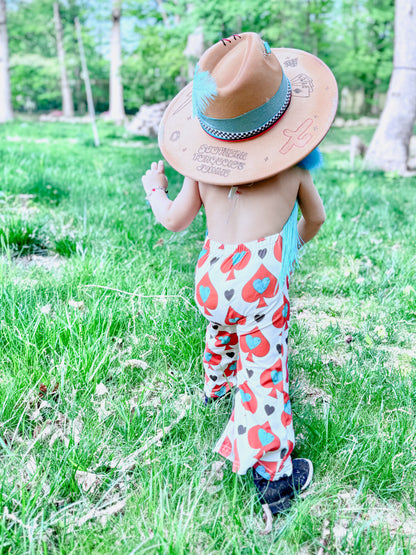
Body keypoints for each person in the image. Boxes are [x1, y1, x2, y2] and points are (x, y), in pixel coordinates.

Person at [142, 32, 338, 515]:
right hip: (260, 287)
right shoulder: (293, 172)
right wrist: (289, 250)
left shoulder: (202, 169)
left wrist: (153, 188)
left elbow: (173, 220)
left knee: (222, 322)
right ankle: (275, 477)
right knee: (265, 371)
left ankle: (216, 383)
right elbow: (315, 220)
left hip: (211, 279)